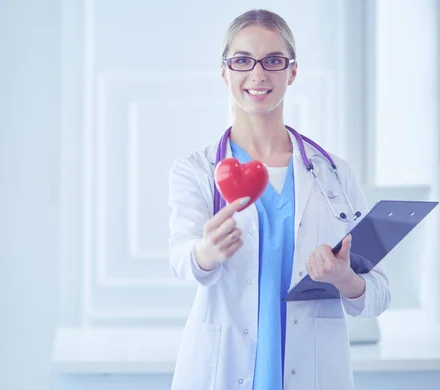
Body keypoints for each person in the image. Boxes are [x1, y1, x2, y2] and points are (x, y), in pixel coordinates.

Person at [167, 9, 390, 390]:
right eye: (241, 61)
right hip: (223, 368)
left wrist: (343, 278)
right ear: (225, 72)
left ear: (292, 71)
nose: (257, 74)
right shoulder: (196, 170)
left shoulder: (334, 173)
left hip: (315, 370)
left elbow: (378, 294)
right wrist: (207, 251)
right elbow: (181, 259)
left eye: (273, 60)